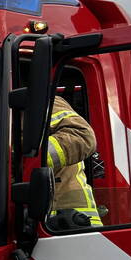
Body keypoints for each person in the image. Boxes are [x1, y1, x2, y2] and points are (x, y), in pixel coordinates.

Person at [46, 95, 102, 229]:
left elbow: (82, 136)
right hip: (46, 223)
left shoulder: (42, 100)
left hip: (74, 224)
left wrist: (31, 160)